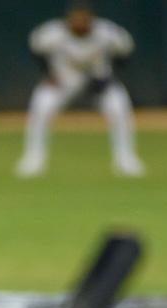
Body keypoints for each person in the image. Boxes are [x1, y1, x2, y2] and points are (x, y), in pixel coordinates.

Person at [16, 3, 145, 178]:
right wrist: (48, 74)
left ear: (91, 20)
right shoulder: (52, 33)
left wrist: (111, 76)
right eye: (75, 19)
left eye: (83, 19)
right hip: (64, 80)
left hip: (99, 81)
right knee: (41, 106)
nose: (79, 23)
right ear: (68, 20)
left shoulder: (106, 32)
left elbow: (125, 51)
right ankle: (33, 160)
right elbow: (37, 51)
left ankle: (126, 160)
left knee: (119, 106)